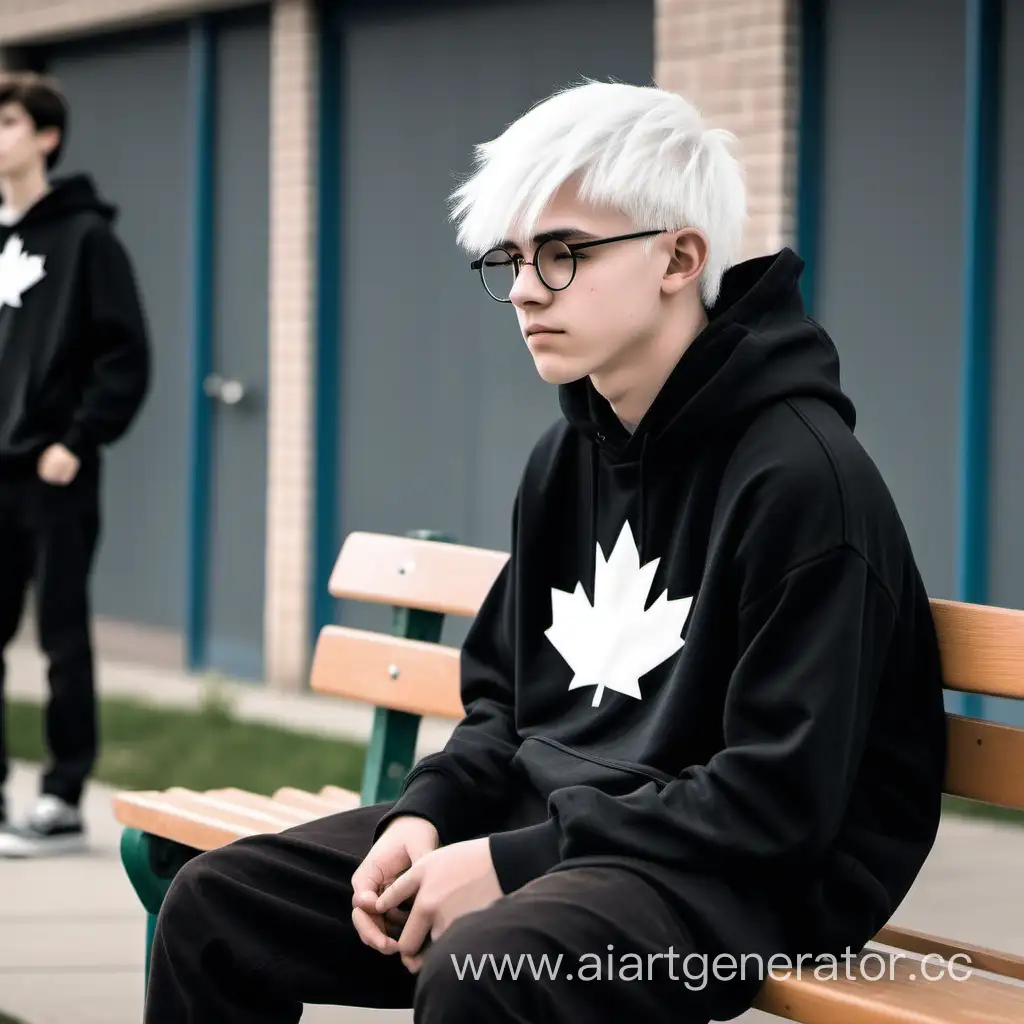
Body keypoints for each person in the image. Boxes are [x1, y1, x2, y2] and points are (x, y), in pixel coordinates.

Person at [143, 80, 947, 1023]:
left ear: (679, 257)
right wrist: (429, 812)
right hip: (558, 832)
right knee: (216, 905)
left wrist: (508, 862)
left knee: (485, 972)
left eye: (563, 254)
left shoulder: (806, 480)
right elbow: (503, 700)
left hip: (745, 882)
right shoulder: (569, 454)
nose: (524, 289)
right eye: (514, 259)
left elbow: (777, 803)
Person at [0, 72, 150, 856]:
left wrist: (78, 439)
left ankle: (60, 799)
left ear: (46, 137)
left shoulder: (88, 239)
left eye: (10, 122)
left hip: (55, 472)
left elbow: (126, 355)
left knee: (61, 635)